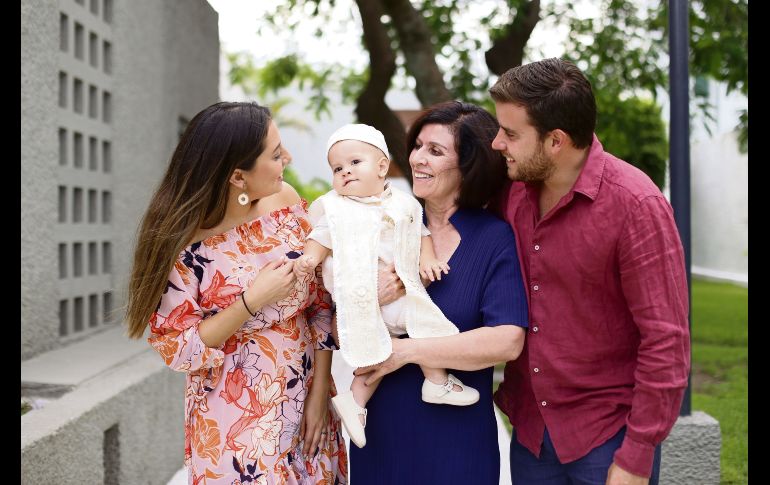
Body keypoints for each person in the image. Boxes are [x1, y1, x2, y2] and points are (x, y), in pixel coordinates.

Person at [488, 58, 691, 485]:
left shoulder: (636, 205)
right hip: (531, 436)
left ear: (556, 141)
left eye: (510, 133)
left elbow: (666, 341)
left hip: (607, 439)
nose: (496, 144)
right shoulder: (511, 193)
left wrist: (637, 457)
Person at [124, 102, 347, 484]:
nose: (287, 159)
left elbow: (321, 301)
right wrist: (251, 301)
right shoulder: (184, 245)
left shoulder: (286, 203)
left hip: (307, 389)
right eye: (276, 155)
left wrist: (321, 387)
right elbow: (178, 348)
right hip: (233, 413)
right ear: (238, 178)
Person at [350, 101, 529, 484]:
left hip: (456, 443)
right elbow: (335, 327)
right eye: (417, 146)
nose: (417, 158)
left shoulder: (494, 239)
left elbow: (507, 341)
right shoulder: (383, 224)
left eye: (435, 151)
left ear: (469, 164)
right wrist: (370, 300)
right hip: (380, 435)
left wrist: (405, 352)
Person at [294, 123, 480, 449]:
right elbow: (318, 240)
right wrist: (308, 260)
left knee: (422, 324)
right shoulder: (337, 208)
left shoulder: (404, 204)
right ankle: (426, 384)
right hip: (356, 295)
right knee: (375, 345)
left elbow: (420, 236)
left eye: (355, 163)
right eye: (338, 168)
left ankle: (364, 398)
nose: (346, 172)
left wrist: (428, 260)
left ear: (382, 167)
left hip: (398, 294)